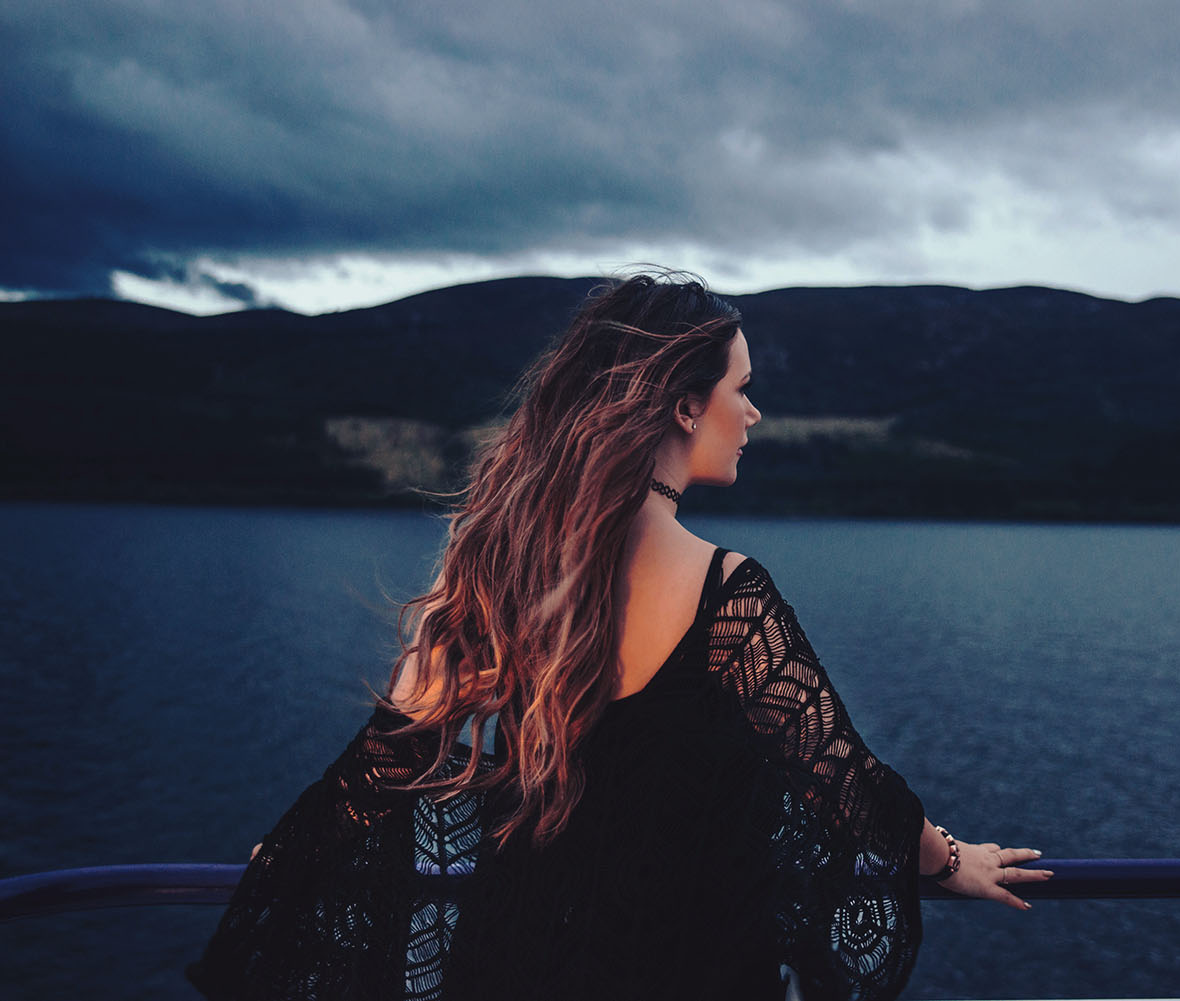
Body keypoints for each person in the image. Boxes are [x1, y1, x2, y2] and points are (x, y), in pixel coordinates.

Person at [187, 271, 1050, 1001]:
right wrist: (950, 862)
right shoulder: (726, 592)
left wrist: (301, 846)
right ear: (683, 405)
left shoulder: (504, 560)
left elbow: (398, 746)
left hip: (514, 960)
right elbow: (843, 780)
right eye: (740, 389)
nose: (753, 414)